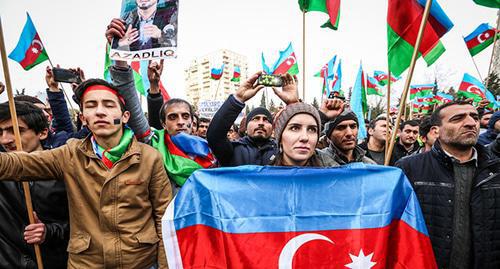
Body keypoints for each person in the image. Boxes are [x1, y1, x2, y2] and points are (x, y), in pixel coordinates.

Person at [0, 77, 172, 268]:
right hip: (86, 264)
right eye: (91, 106)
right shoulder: (69, 154)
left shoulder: (150, 157)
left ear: (125, 116)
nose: (99, 111)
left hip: (140, 263)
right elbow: (14, 164)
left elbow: (164, 219)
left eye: (108, 105)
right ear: (83, 118)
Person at [396, 100, 500, 269]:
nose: (470, 123)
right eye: (458, 118)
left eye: (474, 117)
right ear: (436, 131)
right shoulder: (409, 167)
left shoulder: (495, 169)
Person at [0, 101, 69, 269]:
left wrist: (49, 231)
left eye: (17, 130)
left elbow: (86, 224)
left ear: (43, 133)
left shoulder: (67, 171)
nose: (5, 139)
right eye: (0, 132)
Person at [271, 102, 338, 167]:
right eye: (294, 128)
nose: (305, 137)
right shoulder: (264, 175)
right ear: (280, 138)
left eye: (312, 130)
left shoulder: (334, 174)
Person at [111, 0, 177, 51]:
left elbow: (174, 44)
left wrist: (161, 36)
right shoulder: (125, 19)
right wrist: (121, 42)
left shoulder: (169, 16)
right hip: (133, 65)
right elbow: (114, 49)